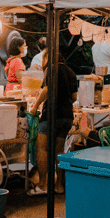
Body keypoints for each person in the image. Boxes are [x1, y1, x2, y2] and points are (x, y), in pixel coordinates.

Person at [29, 51, 77, 195]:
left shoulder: (51, 69)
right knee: (59, 151)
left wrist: (35, 106)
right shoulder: (71, 71)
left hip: (51, 114)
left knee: (42, 148)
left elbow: (46, 90)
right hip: (67, 116)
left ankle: (43, 185)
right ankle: (60, 186)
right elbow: (74, 97)